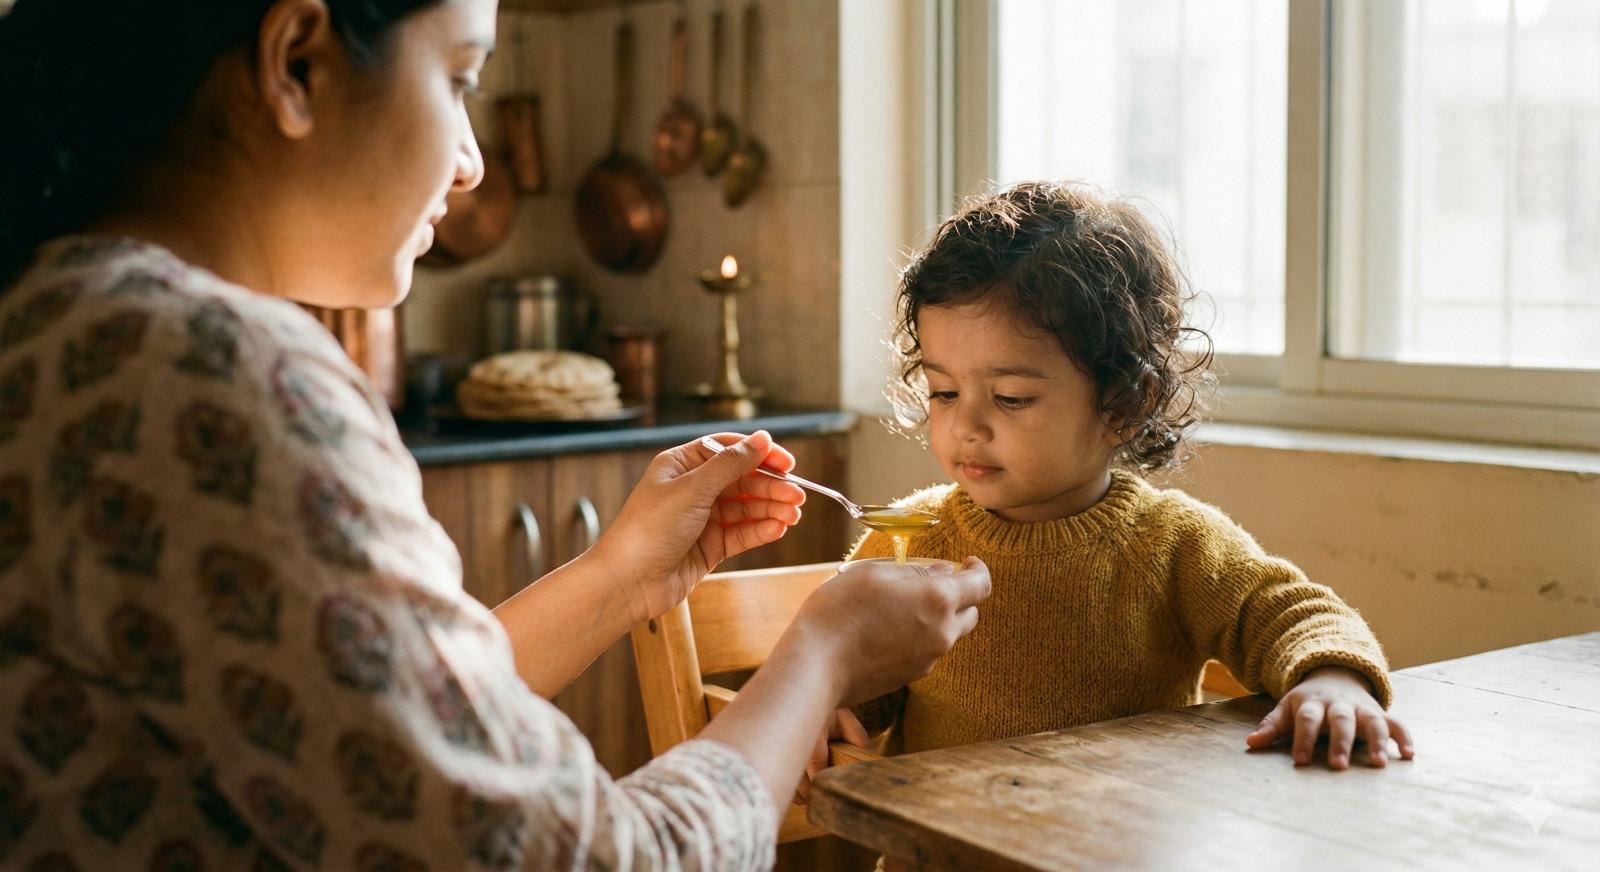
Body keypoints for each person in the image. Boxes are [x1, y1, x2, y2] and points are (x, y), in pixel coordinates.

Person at [0, 1, 992, 869]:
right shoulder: (210, 374)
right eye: (459, 79)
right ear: (296, 62)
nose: (473, 162)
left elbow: (378, 731)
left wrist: (620, 575)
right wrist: (822, 653)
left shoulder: (66, 325)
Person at [849, 181, 1413, 771]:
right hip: (937, 831)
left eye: (1011, 397)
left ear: (1124, 404)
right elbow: (851, 678)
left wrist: (1331, 679)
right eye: (943, 392)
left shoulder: (1172, 544)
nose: (965, 426)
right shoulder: (907, 541)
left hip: (1124, 826)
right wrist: (836, 708)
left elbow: (1293, 614)